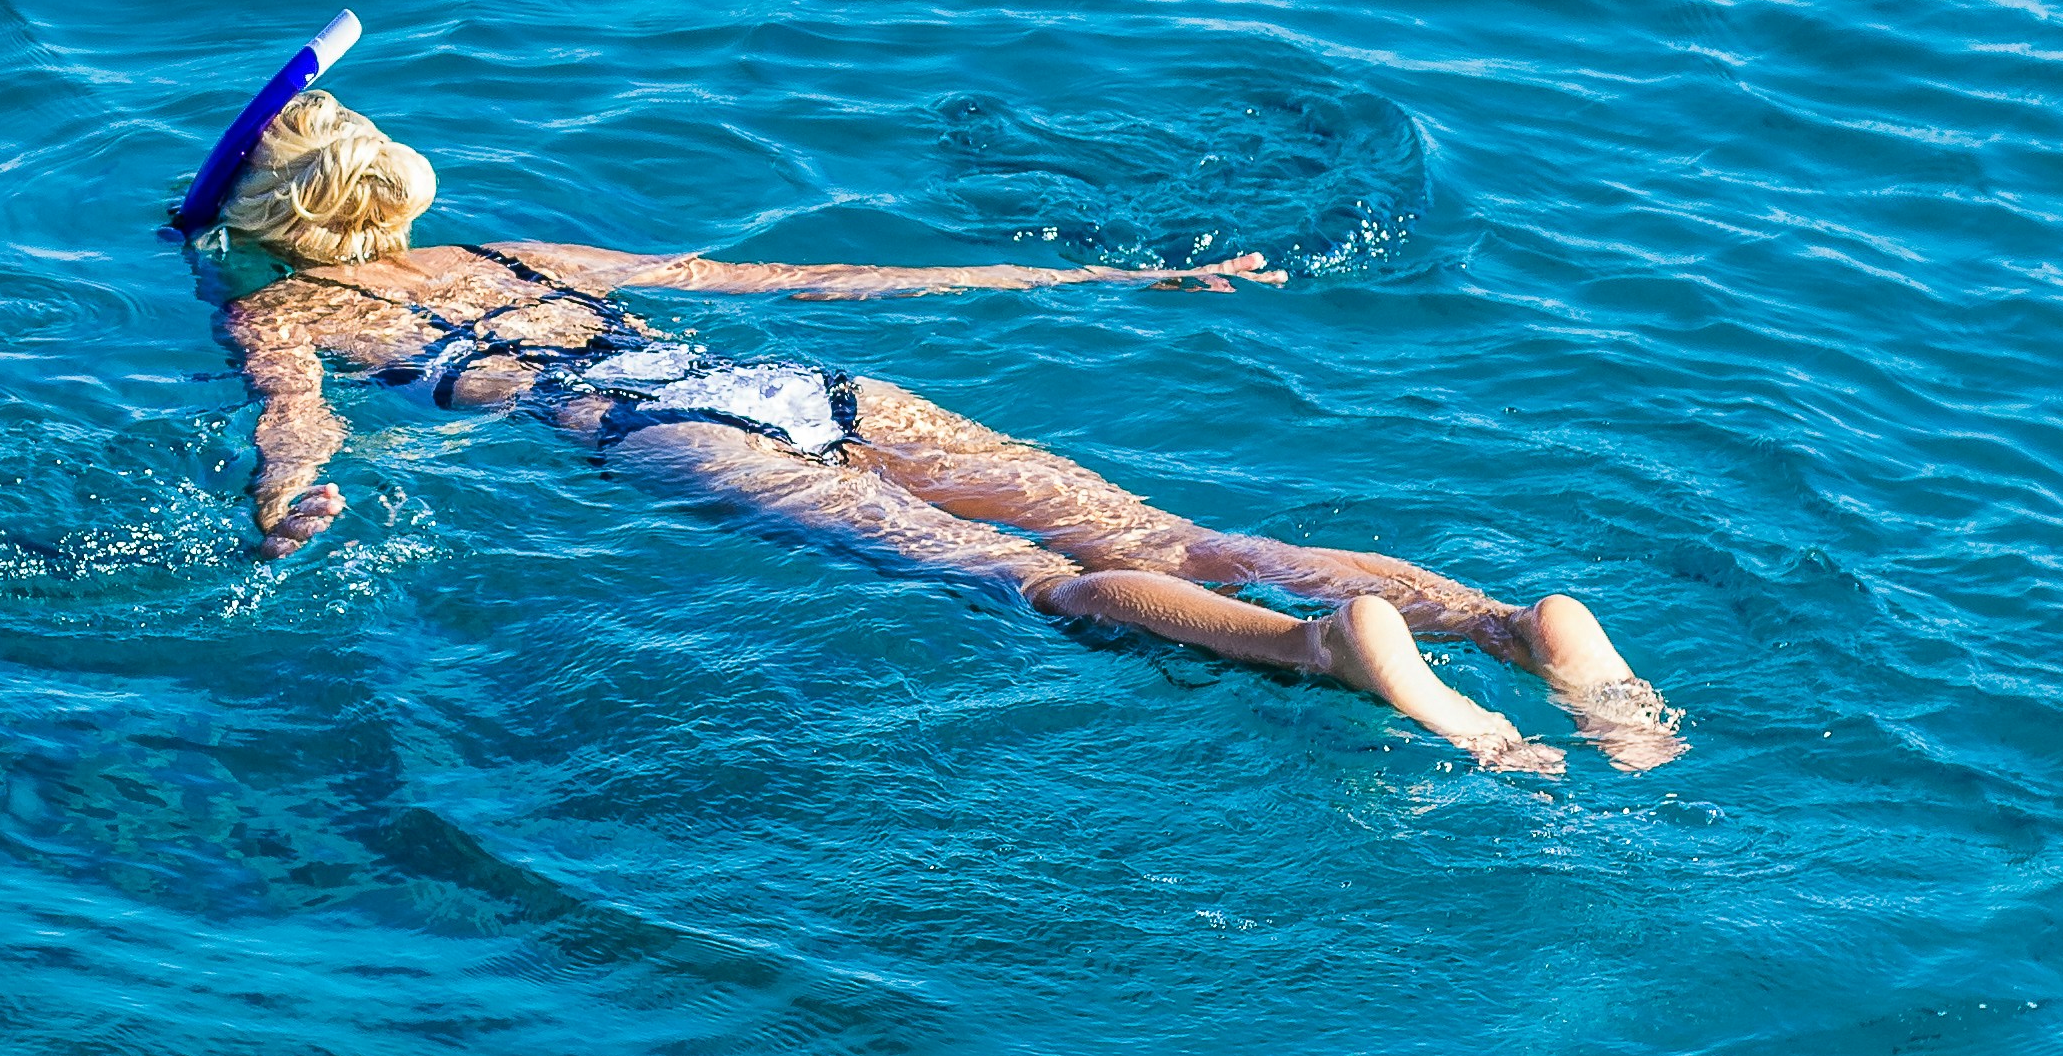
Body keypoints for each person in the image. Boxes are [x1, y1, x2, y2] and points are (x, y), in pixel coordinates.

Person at [205, 90, 1677, 775]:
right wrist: (1104, 272)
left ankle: (1316, 650)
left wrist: (293, 509)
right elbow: (802, 279)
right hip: (804, 382)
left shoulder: (281, 315)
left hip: (643, 428)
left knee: (1009, 578)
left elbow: (297, 426)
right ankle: (1508, 627)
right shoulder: (522, 254)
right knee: (1184, 537)